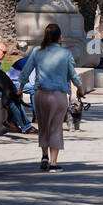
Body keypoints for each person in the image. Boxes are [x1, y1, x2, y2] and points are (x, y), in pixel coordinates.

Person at [16, 24, 84, 171]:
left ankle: (44, 155)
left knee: (43, 126)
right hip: (58, 95)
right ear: (60, 36)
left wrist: (20, 89)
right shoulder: (65, 54)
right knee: (55, 128)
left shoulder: (37, 51)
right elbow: (73, 74)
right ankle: (53, 163)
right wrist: (79, 88)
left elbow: (26, 71)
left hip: (40, 94)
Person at [0, 40, 36, 134]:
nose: (4, 55)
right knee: (12, 96)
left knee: (31, 89)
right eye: (3, 52)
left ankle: (14, 120)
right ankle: (26, 126)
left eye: (5, 52)